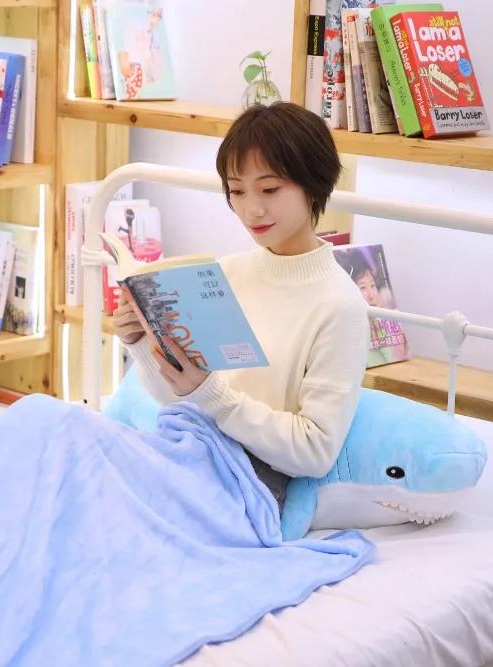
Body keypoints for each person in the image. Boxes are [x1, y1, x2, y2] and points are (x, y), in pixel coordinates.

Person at [112, 101, 369, 505]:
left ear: (314, 183)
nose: (252, 209)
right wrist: (140, 344)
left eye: (270, 189)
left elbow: (316, 452)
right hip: (186, 452)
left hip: (247, 485)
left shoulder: (340, 306)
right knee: (48, 426)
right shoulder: (225, 274)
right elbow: (177, 399)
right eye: (236, 191)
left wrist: (213, 395)